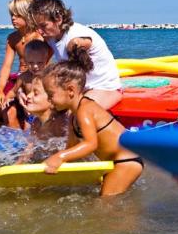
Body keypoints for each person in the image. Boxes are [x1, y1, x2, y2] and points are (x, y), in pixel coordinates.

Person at [40, 47, 143, 196]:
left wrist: (59, 157)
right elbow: (71, 147)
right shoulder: (73, 118)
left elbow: (90, 144)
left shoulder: (85, 109)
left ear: (70, 90)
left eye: (50, 94)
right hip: (112, 163)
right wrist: (52, 162)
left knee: (105, 205)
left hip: (126, 161)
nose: (48, 99)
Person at [28, 0, 122, 110]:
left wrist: (76, 44)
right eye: (36, 26)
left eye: (43, 25)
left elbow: (85, 42)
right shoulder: (51, 36)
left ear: (58, 18)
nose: (39, 31)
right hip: (81, 89)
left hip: (105, 88)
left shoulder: (75, 36)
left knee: (78, 113)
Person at [0, 0, 45, 134]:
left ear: (28, 15)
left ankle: (17, 149)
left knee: (10, 114)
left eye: (17, 15)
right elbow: (6, 67)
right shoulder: (12, 38)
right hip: (16, 80)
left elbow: (47, 67)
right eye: (11, 15)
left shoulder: (40, 37)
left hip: (35, 80)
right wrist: (1, 91)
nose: (13, 18)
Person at [15, 76, 67, 164]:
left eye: (35, 93)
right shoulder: (36, 123)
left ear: (52, 100)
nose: (28, 96)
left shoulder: (59, 123)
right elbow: (28, 151)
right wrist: (15, 168)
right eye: (30, 92)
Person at [2, 39, 52, 127]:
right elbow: (13, 91)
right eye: (31, 63)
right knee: (28, 134)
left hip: (47, 115)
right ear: (25, 60)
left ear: (46, 59)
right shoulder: (23, 77)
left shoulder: (48, 77)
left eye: (40, 62)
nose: (35, 66)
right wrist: (7, 99)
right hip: (30, 115)